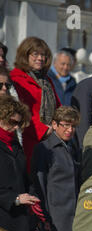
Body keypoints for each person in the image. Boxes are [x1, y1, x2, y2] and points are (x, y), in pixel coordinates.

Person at [29, 106, 81, 231]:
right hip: (54, 220)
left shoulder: (72, 147)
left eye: (73, 126)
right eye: (65, 125)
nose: (69, 130)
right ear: (54, 124)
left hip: (72, 218)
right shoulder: (44, 148)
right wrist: (44, 217)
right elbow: (39, 184)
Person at [0, 95, 38, 231]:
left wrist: (31, 196)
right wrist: (15, 198)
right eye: (10, 122)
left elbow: (25, 177)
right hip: (3, 220)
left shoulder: (15, 146)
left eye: (18, 123)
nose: (14, 127)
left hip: (15, 225)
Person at [10, 37, 61, 171]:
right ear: (25, 55)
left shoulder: (46, 80)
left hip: (49, 139)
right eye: (35, 54)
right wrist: (43, 130)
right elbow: (20, 110)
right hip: (28, 139)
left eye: (43, 55)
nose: (40, 58)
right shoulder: (17, 79)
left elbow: (58, 107)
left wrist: (60, 125)